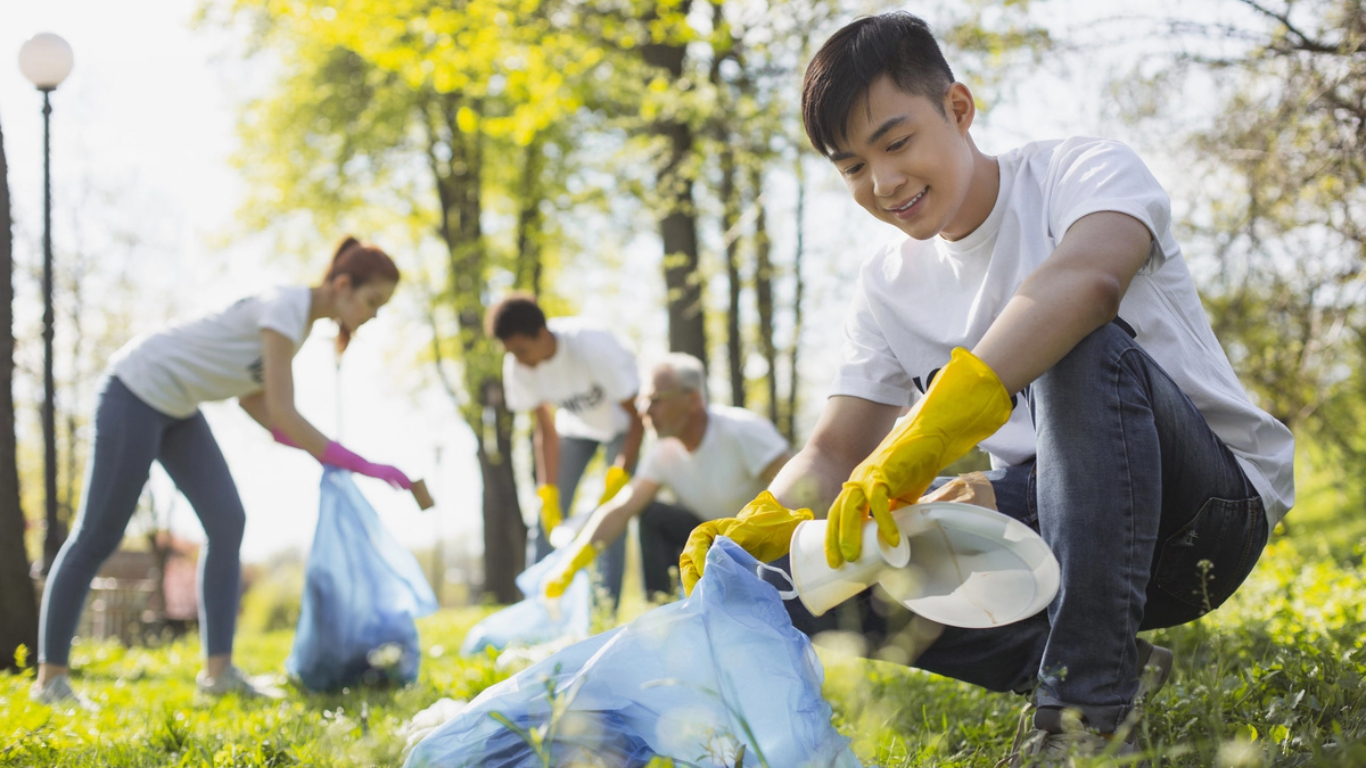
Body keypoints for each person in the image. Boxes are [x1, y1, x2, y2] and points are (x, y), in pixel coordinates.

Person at [677, 11, 1294, 764]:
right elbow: (835, 448)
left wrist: (930, 431)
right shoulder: (885, 286)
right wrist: (756, 530)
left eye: (896, 143)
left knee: (1075, 343)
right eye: (851, 167)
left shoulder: (1081, 170)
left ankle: (1083, 715)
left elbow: (1092, 281)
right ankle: (1084, 662)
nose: (883, 182)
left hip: (1204, 512)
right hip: (1056, 532)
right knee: (805, 561)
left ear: (959, 110)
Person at [31, 236, 412, 707]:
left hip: (178, 407)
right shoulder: (287, 308)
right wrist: (363, 465)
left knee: (227, 521)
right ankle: (51, 681)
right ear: (342, 285)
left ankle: (219, 673)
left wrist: (329, 462)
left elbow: (266, 412)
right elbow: (284, 412)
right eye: (373, 301)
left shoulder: (293, 325)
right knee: (97, 536)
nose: (373, 314)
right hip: (135, 390)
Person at [542, 353, 790, 600]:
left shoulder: (743, 431)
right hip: (716, 545)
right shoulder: (662, 454)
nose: (644, 411)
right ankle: (662, 609)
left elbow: (798, 488)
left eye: (655, 400)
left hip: (770, 545)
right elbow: (620, 509)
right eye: (642, 401)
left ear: (692, 399)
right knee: (652, 515)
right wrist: (570, 564)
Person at [487, 294, 644, 604]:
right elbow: (545, 428)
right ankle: (538, 605)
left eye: (521, 350)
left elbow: (637, 416)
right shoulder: (518, 365)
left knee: (612, 518)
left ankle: (605, 608)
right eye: (510, 352)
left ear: (543, 336)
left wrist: (620, 474)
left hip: (624, 427)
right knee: (545, 521)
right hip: (576, 430)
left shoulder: (591, 346)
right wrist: (548, 491)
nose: (517, 360)